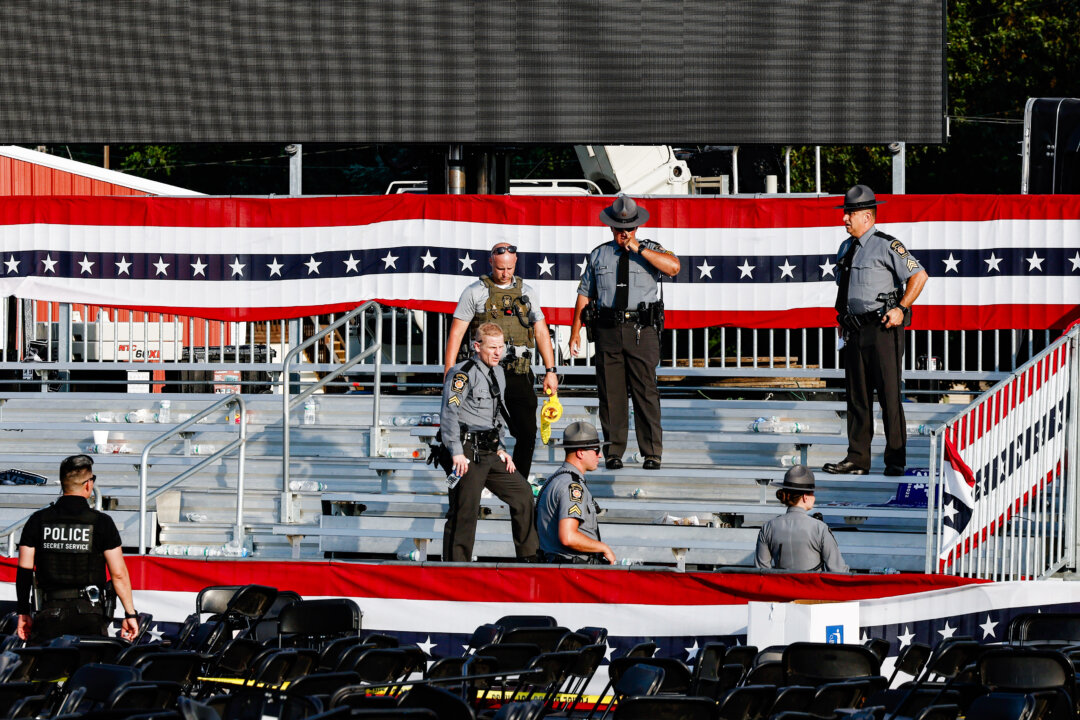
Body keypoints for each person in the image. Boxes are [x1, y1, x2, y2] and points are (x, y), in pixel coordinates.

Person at [823, 185, 929, 477]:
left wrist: (902, 308)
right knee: (857, 397)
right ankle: (857, 458)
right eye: (845, 213)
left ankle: (895, 459)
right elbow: (846, 289)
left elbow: (918, 275)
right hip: (854, 331)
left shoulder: (887, 245)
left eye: (850, 214)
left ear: (867, 217)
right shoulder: (846, 248)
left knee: (889, 395)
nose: (845, 218)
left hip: (883, 328)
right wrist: (843, 319)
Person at [569, 196, 680, 470]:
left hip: (641, 330)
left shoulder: (651, 249)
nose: (624, 233)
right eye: (620, 229)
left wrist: (639, 249)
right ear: (611, 229)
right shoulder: (599, 254)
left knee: (646, 393)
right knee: (610, 394)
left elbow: (674, 267)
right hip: (607, 329)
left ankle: (651, 452)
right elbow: (584, 295)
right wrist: (575, 332)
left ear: (636, 228)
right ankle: (613, 451)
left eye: (628, 229)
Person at [444, 242, 558, 480]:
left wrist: (551, 370)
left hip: (518, 372)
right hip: (483, 375)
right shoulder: (474, 292)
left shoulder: (527, 293)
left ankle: (518, 482)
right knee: (482, 430)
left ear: (515, 264)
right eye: (500, 269)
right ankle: (482, 479)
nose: (505, 273)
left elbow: (540, 331)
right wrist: (449, 370)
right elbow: (457, 332)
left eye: (509, 268)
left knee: (526, 433)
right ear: (491, 263)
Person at [441, 322, 540, 562]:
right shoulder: (461, 373)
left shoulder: (497, 372)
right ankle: (456, 567)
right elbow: (449, 414)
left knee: (523, 493)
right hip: (465, 449)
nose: (498, 352)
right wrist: (455, 452)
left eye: (501, 346)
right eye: (492, 347)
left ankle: (529, 558)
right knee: (465, 510)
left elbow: (497, 415)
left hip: (489, 449)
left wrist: (502, 449)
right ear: (477, 346)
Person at [16, 454, 139, 642]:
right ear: (88, 485)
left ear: (63, 484)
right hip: (89, 615)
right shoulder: (101, 522)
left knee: (49, 671)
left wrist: (23, 612)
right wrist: (130, 614)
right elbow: (119, 574)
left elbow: (24, 570)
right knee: (89, 670)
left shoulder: (38, 520)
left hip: (49, 615)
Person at [535, 421, 616, 565]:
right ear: (580, 452)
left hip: (559, 566)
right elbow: (568, 536)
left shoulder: (556, 479)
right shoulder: (572, 486)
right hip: (572, 569)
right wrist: (603, 547)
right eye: (596, 450)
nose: (600, 456)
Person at [755, 465, 848, 572]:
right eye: (813, 493)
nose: (814, 497)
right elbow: (838, 571)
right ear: (805, 497)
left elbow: (761, 572)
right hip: (811, 587)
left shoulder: (768, 527)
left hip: (781, 587)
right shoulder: (820, 528)